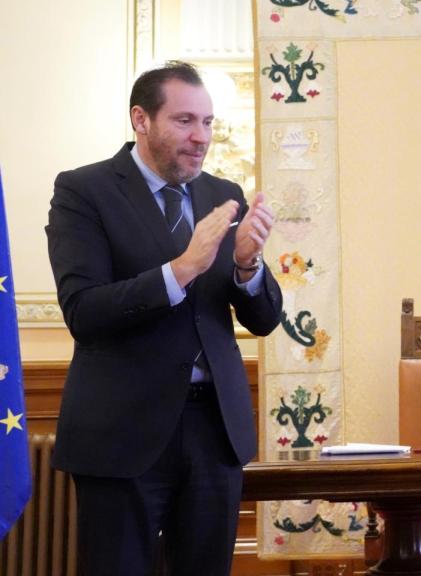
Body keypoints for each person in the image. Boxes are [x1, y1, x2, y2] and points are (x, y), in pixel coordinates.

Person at [46, 61, 283, 576]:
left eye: (208, 123)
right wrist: (182, 269)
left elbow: (263, 320)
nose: (201, 137)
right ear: (141, 119)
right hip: (122, 432)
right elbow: (83, 311)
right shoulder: (83, 192)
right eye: (184, 121)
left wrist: (247, 265)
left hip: (213, 430)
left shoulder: (224, 196)